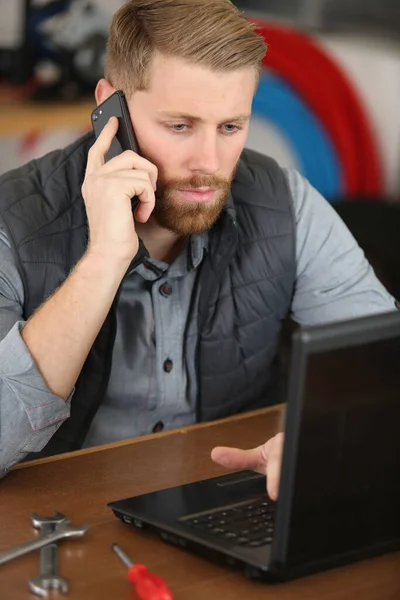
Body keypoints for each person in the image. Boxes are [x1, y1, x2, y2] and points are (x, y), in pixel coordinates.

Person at [0, 0, 396, 496]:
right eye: (180, 126)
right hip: (53, 526)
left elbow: (382, 371)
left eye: (230, 127)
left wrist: (312, 437)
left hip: (222, 508)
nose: (209, 162)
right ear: (109, 111)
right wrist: (104, 259)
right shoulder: (10, 223)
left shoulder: (285, 204)